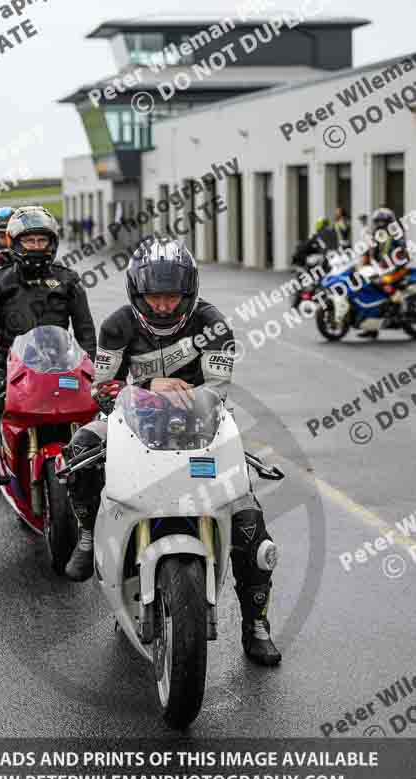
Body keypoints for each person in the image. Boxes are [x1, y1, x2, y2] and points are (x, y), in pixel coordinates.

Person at [64, 236, 281, 667]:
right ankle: (89, 532)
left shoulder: (213, 323)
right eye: (154, 297)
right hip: (130, 420)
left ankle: (256, 623)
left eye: (172, 296)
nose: (163, 306)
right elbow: (102, 389)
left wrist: (183, 396)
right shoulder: (116, 325)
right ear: (137, 293)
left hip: (203, 423)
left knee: (249, 520)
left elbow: (218, 390)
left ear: (190, 291)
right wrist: (147, 386)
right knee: (81, 448)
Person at [0, 206, 97, 550]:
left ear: (52, 244)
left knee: (101, 440)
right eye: (29, 240)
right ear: (14, 243)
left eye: (42, 240)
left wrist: (98, 375)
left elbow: (87, 336)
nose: (35, 246)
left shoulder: (68, 280)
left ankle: (96, 517)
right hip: (12, 371)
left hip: (61, 370)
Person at [359, 207, 411, 339]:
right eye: (378, 222)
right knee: (368, 289)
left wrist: (393, 262)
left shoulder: (397, 235)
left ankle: (401, 311)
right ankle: (371, 327)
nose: (380, 225)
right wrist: (363, 263)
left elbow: (403, 254)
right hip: (380, 270)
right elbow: (369, 252)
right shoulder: (377, 237)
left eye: (383, 222)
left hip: (396, 270)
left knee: (385, 286)